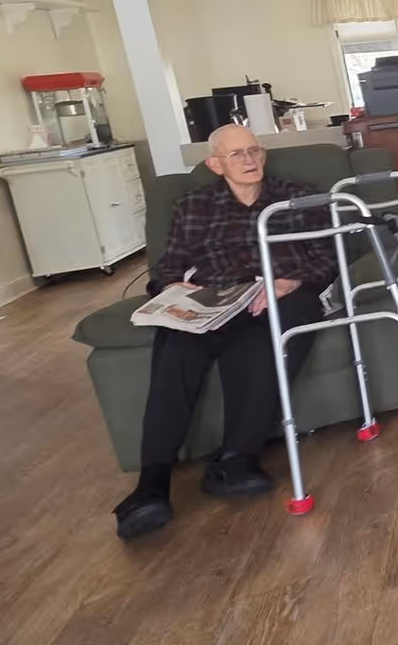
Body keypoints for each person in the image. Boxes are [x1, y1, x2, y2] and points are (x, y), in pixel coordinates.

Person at [111, 126, 337, 540]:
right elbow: (170, 263)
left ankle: (236, 461)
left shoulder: (297, 196)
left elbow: (328, 254)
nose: (249, 160)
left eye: (254, 151)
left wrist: (290, 281)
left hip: (280, 293)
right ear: (215, 164)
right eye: (236, 155)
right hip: (218, 295)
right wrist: (173, 289)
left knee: (273, 338)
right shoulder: (196, 205)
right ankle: (151, 488)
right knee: (175, 346)